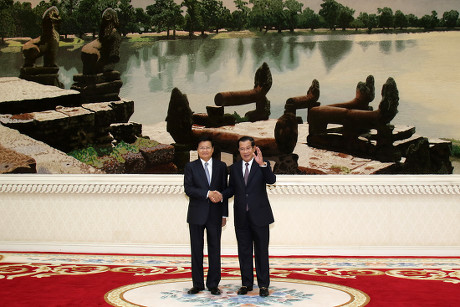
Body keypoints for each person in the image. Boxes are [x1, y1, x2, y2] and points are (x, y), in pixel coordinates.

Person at [223, 136, 276, 297]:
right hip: (241, 217)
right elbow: (231, 189)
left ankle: (263, 285)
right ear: (238, 150)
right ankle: (246, 283)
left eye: (248, 148)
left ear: (254, 148)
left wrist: (263, 165)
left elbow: (271, 180)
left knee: (261, 251)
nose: (245, 151)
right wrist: (219, 194)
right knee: (244, 251)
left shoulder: (262, 164)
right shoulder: (235, 167)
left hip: (260, 216)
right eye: (242, 148)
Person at [184, 136, 228, 295]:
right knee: (196, 249)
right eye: (202, 147)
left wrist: (224, 215)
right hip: (196, 214)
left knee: (215, 249)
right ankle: (197, 284)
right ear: (197, 150)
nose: (205, 150)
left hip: (215, 214)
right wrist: (207, 193)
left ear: (213, 149)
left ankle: (213, 284)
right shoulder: (190, 166)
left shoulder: (221, 166)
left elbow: (224, 192)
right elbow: (188, 189)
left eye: (208, 147)